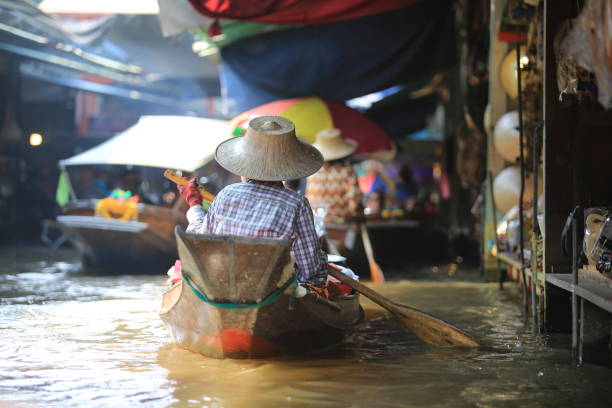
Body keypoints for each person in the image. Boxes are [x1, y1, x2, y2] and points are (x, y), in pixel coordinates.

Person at [178, 116, 328, 286]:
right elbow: (309, 271)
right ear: (289, 169)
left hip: (222, 283)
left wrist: (194, 205)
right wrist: (320, 267)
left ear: (245, 166)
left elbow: (200, 241)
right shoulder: (297, 203)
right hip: (271, 289)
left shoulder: (227, 194)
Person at [304, 128, 363, 224]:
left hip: (316, 224)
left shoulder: (312, 173)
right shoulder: (347, 172)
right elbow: (354, 205)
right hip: (342, 225)